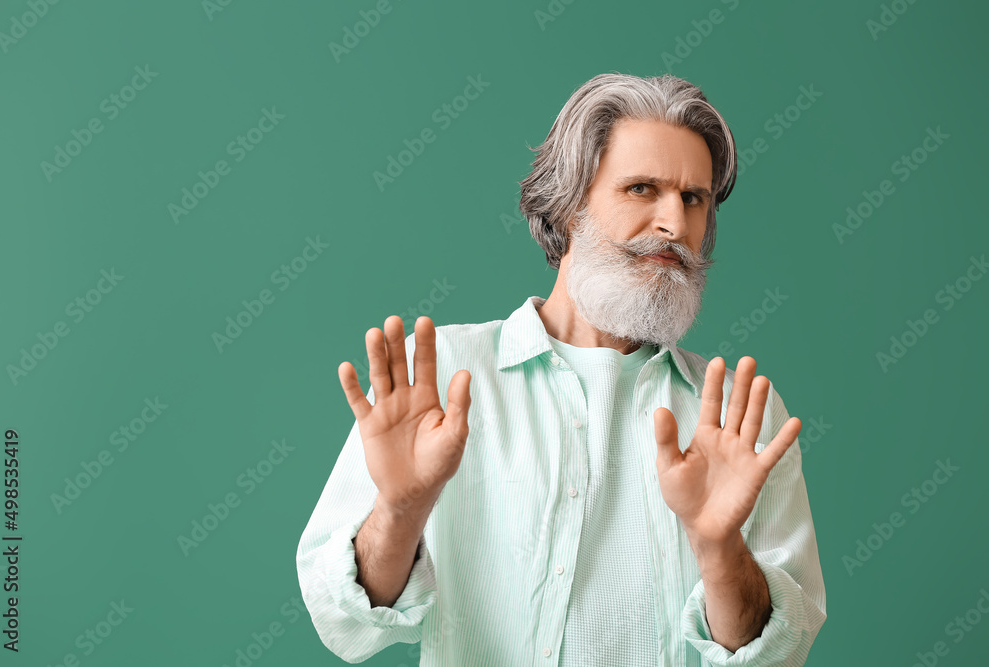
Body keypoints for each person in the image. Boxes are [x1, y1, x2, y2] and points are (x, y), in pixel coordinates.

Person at [295, 72, 826, 666]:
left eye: (693, 198)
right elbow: (342, 621)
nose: (675, 225)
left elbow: (779, 656)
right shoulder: (441, 378)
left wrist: (719, 546)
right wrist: (401, 509)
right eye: (642, 189)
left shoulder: (737, 416)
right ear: (569, 205)